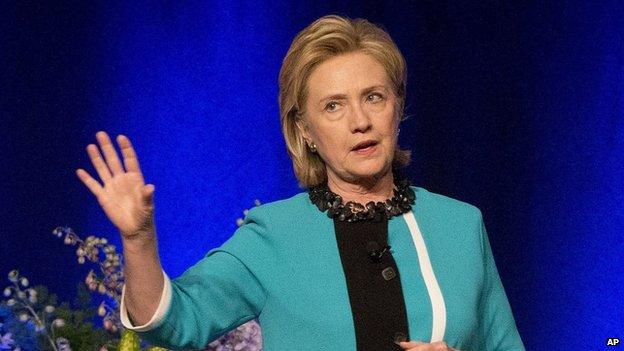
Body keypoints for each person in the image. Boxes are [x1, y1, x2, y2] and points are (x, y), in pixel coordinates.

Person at [75, 14, 525, 351]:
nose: (360, 122)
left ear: (397, 106)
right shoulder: (274, 235)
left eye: (374, 97)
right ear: (304, 130)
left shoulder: (460, 226)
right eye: (333, 106)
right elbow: (175, 322)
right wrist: (138, 239)